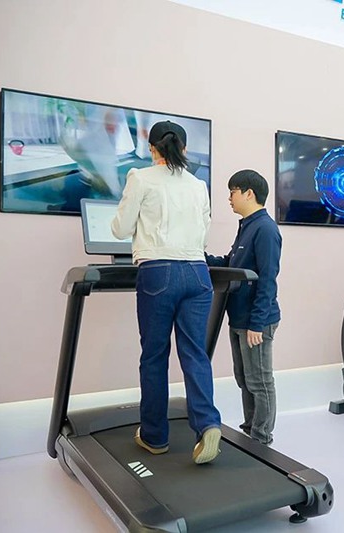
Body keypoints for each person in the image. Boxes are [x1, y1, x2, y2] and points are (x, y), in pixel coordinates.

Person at [111, 120, 221, 464]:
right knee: (195, 354)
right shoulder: (198, 185)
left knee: (155, 356)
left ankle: (155, 436)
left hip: (158, 272)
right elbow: (204, 235)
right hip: (198, 273)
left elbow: (120, 229)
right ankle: (207, 424)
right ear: (184, 149)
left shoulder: (140, 177)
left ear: (151, 148)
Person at [206, 170, 282, 445]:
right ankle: (250, 429)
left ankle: (261, 437)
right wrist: (199, 256)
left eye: (233, 192)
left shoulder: (265, 229)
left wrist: (257, 323)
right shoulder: (247, 226)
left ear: (249, 194)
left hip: (255, 320)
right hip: (238, 316)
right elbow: (231, 262)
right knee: (243, 378)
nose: (229, 198)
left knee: (259, 381)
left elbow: (267, 279)